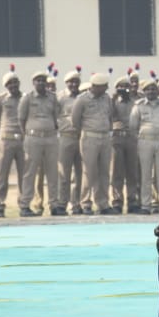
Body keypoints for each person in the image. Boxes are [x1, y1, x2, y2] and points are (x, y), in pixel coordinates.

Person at [18, 70, 60, 217]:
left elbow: (55, 117)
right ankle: (25, 205)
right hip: (33, 138)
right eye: (38, 80)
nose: (41, 83)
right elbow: (21, 120)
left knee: (53, 172)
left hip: (50, 138)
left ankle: (54, 205)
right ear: (33, 83)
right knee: (30, 173)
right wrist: (28, 134)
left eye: (43, 80)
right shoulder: (27, 98)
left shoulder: (52, 98)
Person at [72, 73, 115, 215]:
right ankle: (85, 203)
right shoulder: (82, 99)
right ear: (95, 87)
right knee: (89, 172)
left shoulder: (107, 98)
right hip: (89, 137)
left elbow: (109, 116)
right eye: (104, 86)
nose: (106, 88)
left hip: (105, 138)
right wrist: (85, 133)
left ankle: (103, 203)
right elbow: (75, 120)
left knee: (104, 172)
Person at [131, 79, 159, 215]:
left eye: (153, 89)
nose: (150, 91)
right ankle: (146, 205)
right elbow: (133, 127)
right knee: (145, 175)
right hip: (145, 142)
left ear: (157, 91)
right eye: (147, 89)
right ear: (143, 92)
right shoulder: (138, 106)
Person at [0, 71, 25, 218]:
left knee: (24, 174)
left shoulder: (25, 98)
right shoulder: (0, 99)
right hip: (6, 139)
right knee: (2, 174)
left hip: (23, 140)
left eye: (15, 82)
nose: (13, 85)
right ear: (5, 86)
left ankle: (24, 204)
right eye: (9, 83)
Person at [110, 76, 143, 215]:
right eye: (121, 86)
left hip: (132, 138)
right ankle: (117, 201)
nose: (124, 89)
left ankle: (132, 201)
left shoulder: (136, 101)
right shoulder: (112, 101)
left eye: (126, 86)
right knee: (117, 172)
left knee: (133, 172)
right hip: (117, 138)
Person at [55, 70, 83, 215]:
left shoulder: (84, 96)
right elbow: (53, 115)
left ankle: (76, 204)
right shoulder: (59, 98)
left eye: (76, 81)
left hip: (81, 138)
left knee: (79, 174)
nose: (73, 84)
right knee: (63, 173)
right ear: (66, 83)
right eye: (70, 82)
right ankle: (61, 203)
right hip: (66, 137)